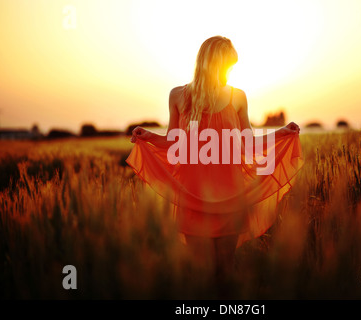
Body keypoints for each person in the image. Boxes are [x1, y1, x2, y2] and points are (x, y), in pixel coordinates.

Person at [127, 36, 303, 292]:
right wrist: (148, 137)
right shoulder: (178, 96)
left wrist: (282, 133)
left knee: (224, 273)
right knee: (201, 274)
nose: (229, 73)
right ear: (212, 64)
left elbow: (248, 144)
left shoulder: (238, 97)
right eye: (227, 66)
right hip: (192, 197)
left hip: (232, 198)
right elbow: (175, 144)